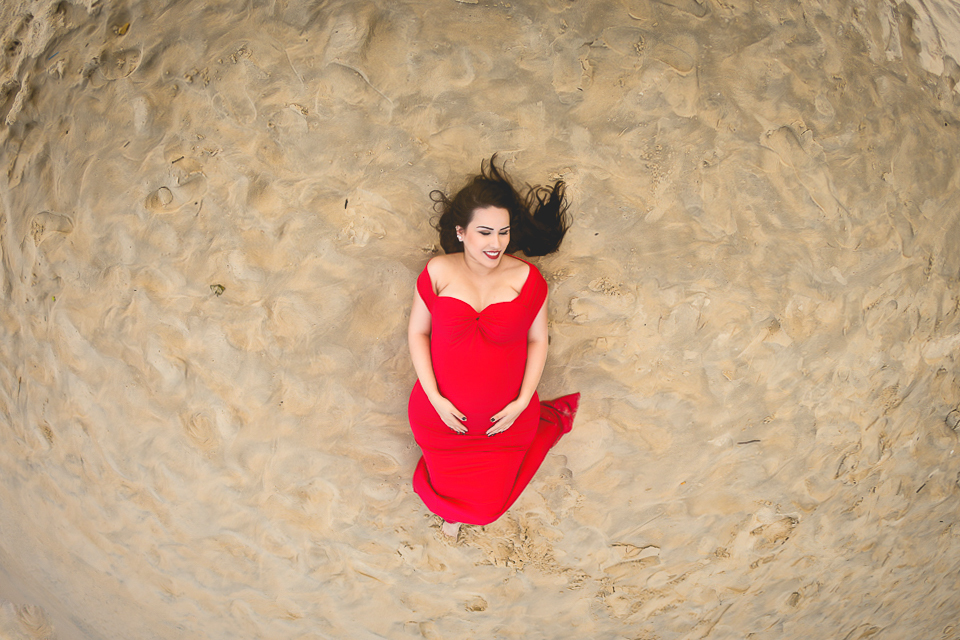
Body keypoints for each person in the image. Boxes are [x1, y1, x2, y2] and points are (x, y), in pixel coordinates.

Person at [407, 156, 580, 538]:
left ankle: (453, 508)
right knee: (452, 499)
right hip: (440, 417)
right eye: (484, 232)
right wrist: (435, 398)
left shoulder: (527, 278)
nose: (496, 244)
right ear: (461, 232)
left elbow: (538, 340)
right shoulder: (438, 271)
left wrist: (522, 402)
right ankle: (448, 510)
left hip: (505, 424)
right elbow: (418, 333)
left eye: (503, 233)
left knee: (486, 512)